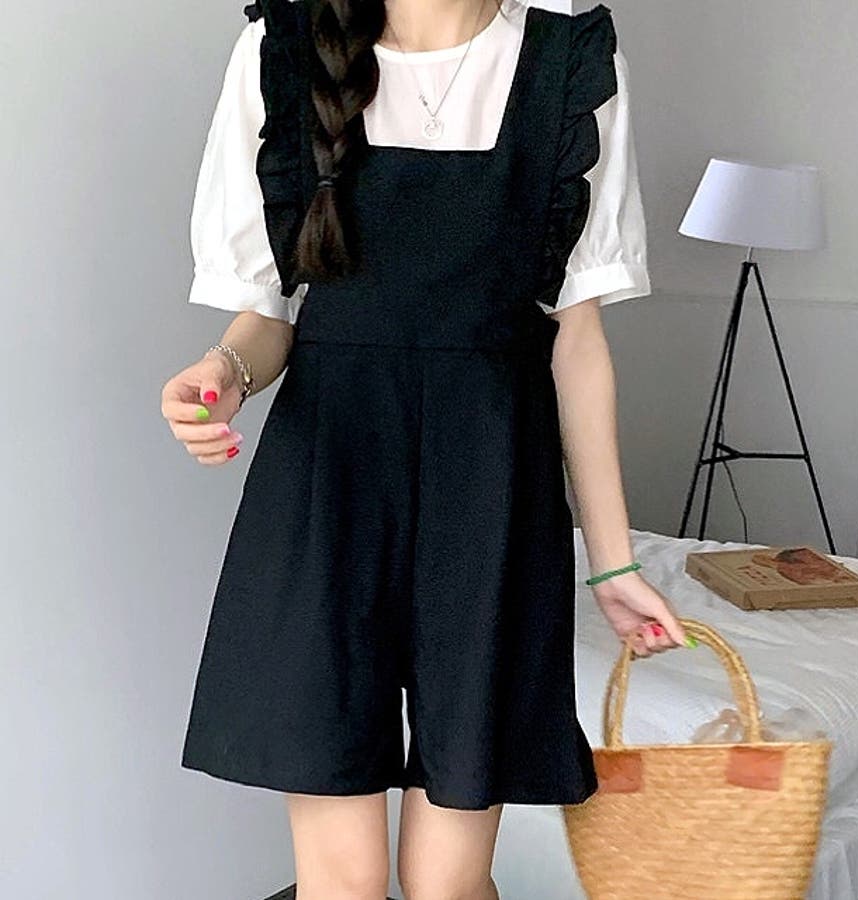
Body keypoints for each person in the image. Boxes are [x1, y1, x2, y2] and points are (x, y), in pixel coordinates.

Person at [161, 0, 689, 896]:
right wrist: (223, 374)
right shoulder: (280, 52)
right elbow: (269, 316)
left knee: (449, 884)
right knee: (343, 884)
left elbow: (577, 338)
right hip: (328, 490)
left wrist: (612, 564)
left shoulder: (569, 65)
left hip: (493, 489)